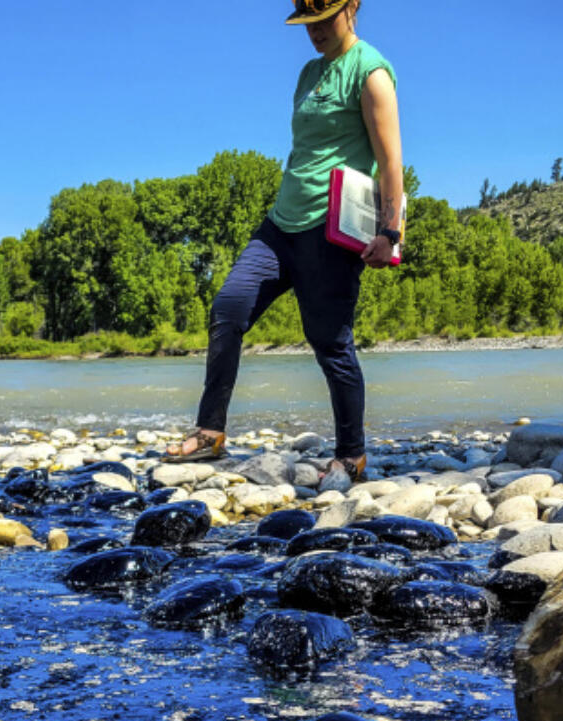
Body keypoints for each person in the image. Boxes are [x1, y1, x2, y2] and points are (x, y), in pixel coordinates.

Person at [166, 0, 403, 484]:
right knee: (228, 307)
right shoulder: (308, 74)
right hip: (280, 224)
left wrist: (389, 231)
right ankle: (210, 433)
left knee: (329, 342)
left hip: (330, 229)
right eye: (307, 23)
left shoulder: (371, 72)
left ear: (351, 7)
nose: (314, 31)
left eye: (323, 19)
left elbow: (391, 160)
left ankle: (352, 455)